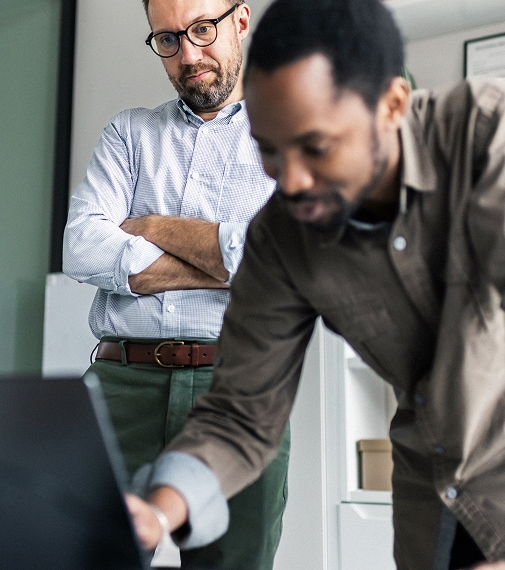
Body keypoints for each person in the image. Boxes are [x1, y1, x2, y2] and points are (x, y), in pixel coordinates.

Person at [123, 0, 505, 568]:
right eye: (270, 151)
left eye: (317, 147)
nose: (293, 182)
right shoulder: (283, 235)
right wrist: (156, 511)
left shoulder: (486, 136)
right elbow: (240, 416)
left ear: (393, 104)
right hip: (434, 492)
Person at [62, 1, 290, 569]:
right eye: (167, 40)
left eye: (203, 29)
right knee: (74, 554)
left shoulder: (290, 136)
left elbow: (284, 261)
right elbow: (82, 247)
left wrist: (151, 228)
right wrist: (225, 255)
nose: (189, 55)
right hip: (119, 383)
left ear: (240, 21)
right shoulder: (129, 134)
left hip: (236, 389)